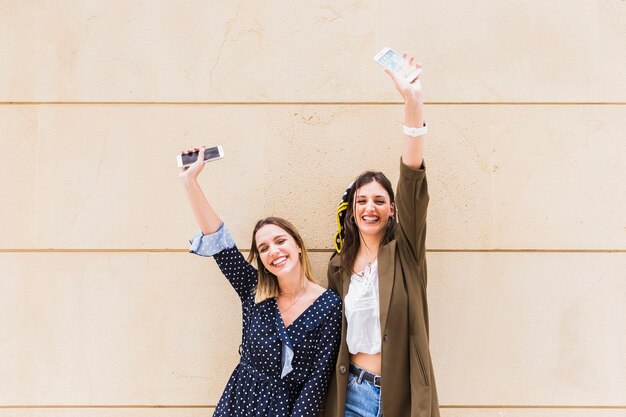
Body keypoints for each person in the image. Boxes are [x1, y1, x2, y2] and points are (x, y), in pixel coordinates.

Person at [179, 148, 342, 417]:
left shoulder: (329, 306)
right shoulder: (254, 291)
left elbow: (318, 380)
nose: (274, 251)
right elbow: (220, 243)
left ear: (298, 246)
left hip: (287, 409)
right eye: (264, 248)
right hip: (239, 403)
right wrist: (190, 181)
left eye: (280, 241)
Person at [324, 58, 440, 417]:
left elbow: (411, 179)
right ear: (352, 211)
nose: (369, 208)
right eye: (362, 201)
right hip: (352, 397)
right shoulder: (338, 267)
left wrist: (413, 103)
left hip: (400, 400)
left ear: (392, 208)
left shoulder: (405, 253)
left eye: (379, 200)